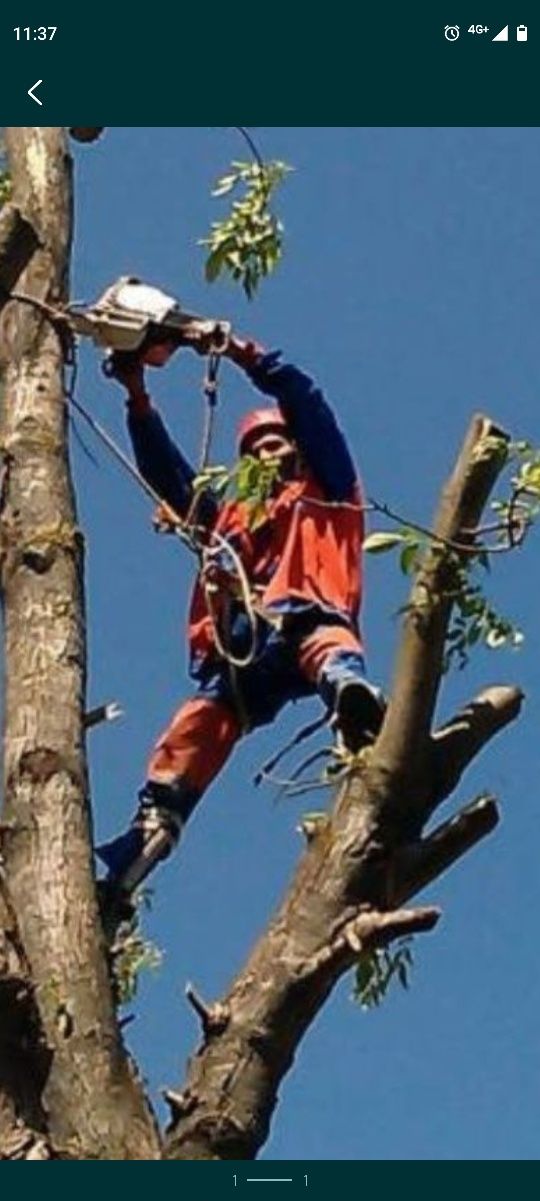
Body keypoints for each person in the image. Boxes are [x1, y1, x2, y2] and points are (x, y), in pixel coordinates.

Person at [97, 328, 385, 896]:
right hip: (241, 653)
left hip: (306, 616)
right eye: (255, 451)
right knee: (199, 724)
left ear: (297, 446)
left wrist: (241, 351)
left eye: (277, 445)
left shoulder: (330, 484)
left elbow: (307, 400)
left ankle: (349, 695)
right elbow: (173, 479)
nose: (268, 456)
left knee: (323, 643)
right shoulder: (232, 521)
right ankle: (149, 833)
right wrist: (137, 395)